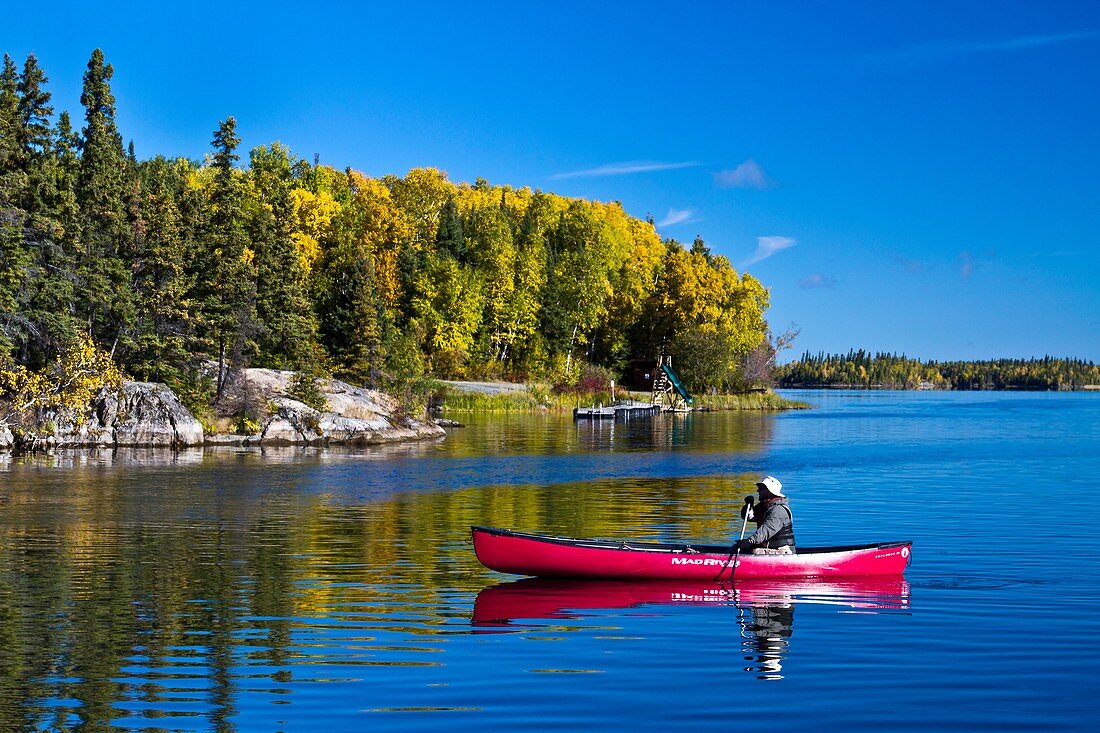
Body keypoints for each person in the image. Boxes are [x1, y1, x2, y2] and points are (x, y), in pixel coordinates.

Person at [738, 475, 796, 555]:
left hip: (783, 551)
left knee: (754, 551)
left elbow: (767, 530)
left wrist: (749, 541)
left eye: (761, 488)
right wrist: (748, 506)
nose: (758, 490)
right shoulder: (764, 506)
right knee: (736, 548)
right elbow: (749, 517)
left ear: (769, 491)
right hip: (769, 549)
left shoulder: (778, 510)